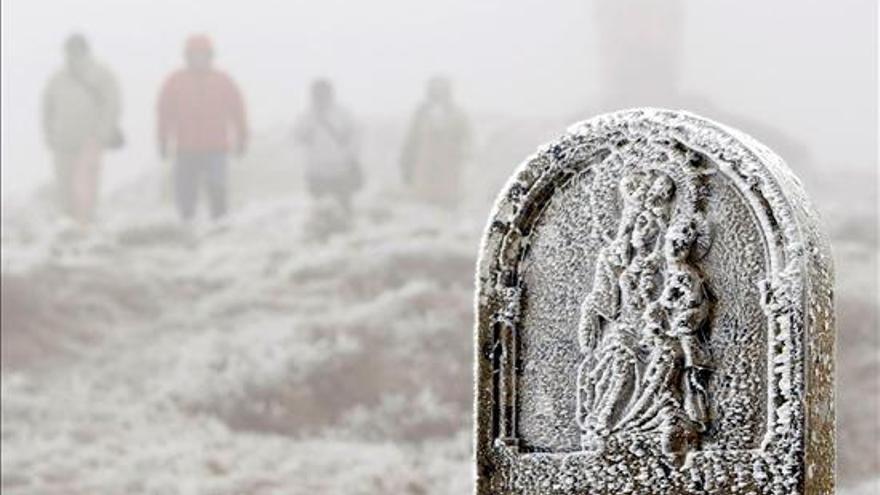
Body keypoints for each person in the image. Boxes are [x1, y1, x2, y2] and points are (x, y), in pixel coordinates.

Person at [157, 34, 248, 222]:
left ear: (210, 56)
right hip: (185, 146)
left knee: (217, 187)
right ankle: (187, 223)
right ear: (187, 56)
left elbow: (238, 111)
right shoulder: (175, 81)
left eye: (202, 54)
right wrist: (162, 140)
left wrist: (242, 138)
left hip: (216, 146)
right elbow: (164, 113)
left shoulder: (223, 81)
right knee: (185, 190)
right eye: (194, 54)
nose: (198, 58)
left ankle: (220, 223)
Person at [42, 33, 122, 225]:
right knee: (64, 183)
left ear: (85, 50)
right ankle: (67, 221)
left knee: (86, 184)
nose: (73, 54)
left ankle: (86, 222)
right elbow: (47, 108)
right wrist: (49, 134)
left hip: (91, 140)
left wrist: (102, 133)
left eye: (77, 49)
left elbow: (112, 104)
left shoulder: (102, 75)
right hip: (63, 141)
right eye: (70, 50)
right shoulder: (57, 78)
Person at [399, 76, 472, 209]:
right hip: (426, 161)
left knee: (448, 197)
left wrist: (464, 151)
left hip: (449, 161)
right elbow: (412, 137)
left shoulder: (456, 113)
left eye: (442, 89)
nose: (438, 92)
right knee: (424, 199)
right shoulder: (421, 112)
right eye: (435, 89)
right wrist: (407, 156)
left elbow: (465, 135)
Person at [293, 79, 361, 216]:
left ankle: (343, 231)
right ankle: (333, 232)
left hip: (336, 170)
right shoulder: (307, 117)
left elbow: (355, 137)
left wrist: (351, 157)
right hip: (318, 171)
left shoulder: (342, 114)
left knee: (342, 207)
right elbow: (297, 138)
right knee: (323, 209)